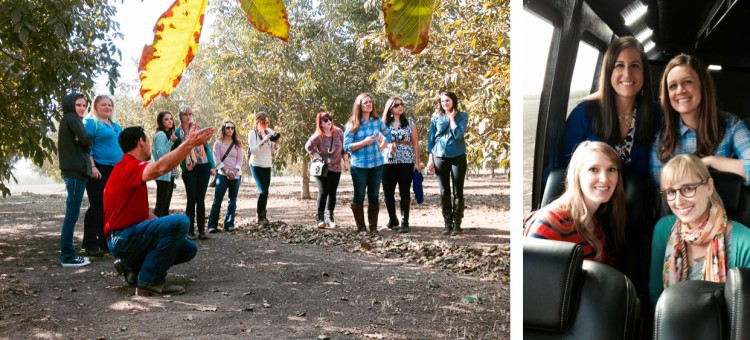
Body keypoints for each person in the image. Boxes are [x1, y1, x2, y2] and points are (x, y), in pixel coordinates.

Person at [104, 125, 214, 296]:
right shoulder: (129, 166)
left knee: (187, 248)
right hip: (122, 238)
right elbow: (159, 168)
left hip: (124, 237)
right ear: (141, 142)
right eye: (148, 140)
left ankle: (131, 267)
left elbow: (144, 214)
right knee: (182, 221)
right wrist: (188, 144)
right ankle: (149, 281)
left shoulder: (126, 168)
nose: (149, 145)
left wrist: (170, 234)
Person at [649, 154, 750, 306]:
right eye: (671, 192)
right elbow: (656, 297)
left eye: (688, 189)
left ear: (709, 187)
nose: (678, 201)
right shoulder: (663, 229)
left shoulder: (744, 240)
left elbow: (744, 312)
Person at [561, 36, 660, 178]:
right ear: (609, 72)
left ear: (644, 72)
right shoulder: (584, 113)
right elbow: (566, 168)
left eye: (635, 65)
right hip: (592, 198)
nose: (627, 74)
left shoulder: (655, 113)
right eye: (619, 65)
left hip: (640, 199)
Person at [651, 53, 750, 187]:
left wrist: (711, 161)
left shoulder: (731, 124)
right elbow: (661, 190)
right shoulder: (661, 139)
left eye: (687, 82)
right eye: (673, 86)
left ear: (703, 86)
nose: (680, 90)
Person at [525, 141, 626, 264]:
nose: (604, 179)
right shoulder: (549, 224)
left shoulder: (596, 220)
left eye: (611, 169)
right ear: (577, 175)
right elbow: (530, 277)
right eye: (593, 169)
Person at [344, 93, 392, 236]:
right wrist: (363, 142)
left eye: (370, 102)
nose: (369, 104)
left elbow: (389, 134)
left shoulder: (377, 122)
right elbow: (346, 146)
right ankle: (361, 227)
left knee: (374, 196)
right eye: (366, 102)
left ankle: (373, 228)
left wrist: (382, 146)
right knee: (359, 195)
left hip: (377, 164)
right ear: (359, 105)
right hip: (359, 166)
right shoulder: (352, 124)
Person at [83, 95, 123, 257]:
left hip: (115, 170)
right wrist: (92, 166)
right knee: (98, 205)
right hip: (99, 168)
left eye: (109, 105)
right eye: (103, 105)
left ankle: (104, 242)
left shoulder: (115, 126)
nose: (107, 107)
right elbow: (87, 146)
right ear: (95, 106)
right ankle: (90, 243)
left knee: (110, 207)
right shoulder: (92, 122)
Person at [57, 93, 93, 267]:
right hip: (74, 174)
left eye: (84, 105)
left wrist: (82, 140)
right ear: (71, 105)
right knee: (71, 215)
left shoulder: (73, 120)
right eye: (78, 105)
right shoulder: (70, 118)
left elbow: (83, 141)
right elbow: (86, 141)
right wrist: (83, 140)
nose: (82, 108)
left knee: (72, 214)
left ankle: (69, 255)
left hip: (77, 174)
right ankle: (67, 256)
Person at [427, 91, 468, 236]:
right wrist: (430, 158)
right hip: (439, 156)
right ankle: (447, 223)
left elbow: (458, 134)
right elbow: (431, 138)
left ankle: (457, 224)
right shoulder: (436, 117)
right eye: (443, 101)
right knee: (444, 191)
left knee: (458, 190)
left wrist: (451, 118)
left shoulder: (462, 115)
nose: (445, 103)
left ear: (453, 101)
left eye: (448, 101)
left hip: (457, 156)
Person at [379, 97, 420, 233]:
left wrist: (417, 162)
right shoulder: (383, 124)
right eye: (396, 105)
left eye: (401, 104)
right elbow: (379, 144)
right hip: (387, 161)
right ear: (390, 108)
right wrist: (388, 145)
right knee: (388, 193)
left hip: (406, 161)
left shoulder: (410, 123)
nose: (400, 107)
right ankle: (393, 219)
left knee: (405, 192)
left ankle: (405, 221)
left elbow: (415, 143)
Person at [176, 105, 216, 240]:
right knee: (191, 198)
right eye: (185, 114)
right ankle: (190, 231)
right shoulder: (177, 132)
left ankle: (202, 231)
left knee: (201, 199)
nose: (188, 117)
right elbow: (178, 152)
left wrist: (212, 165)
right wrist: (183, 166)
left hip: (203, 165)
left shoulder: (198, 129)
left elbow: (206, 147)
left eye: (190, 114)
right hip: (189, 168)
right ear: (180, 116)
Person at [305, 112, 344, 229]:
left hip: (336, 167)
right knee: (323, 191)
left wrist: (346, 160)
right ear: (320, 123)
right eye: (325, 120)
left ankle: (330, 218)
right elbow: (308, 147)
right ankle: (321, 218)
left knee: (332, 192)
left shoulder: (339, 132)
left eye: (330, 119)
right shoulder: (318, 136)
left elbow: (344, 147)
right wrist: (319, 157)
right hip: (322, 168)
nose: (328, 122)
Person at [207, 121, 244, 233]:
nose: (230, 130)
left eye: (232, 128)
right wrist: (227, 172)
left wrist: (235, 171)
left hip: (236, 175)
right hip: (223, 175)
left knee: (232, 200)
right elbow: (217, 160)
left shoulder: (238, 144)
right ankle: (212, 225)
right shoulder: (218, 143)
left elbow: (240, 160)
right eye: (228, 127)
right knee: (217, 200)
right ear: (223, 129)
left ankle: (229, 223)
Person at [247, 112, 280, 225]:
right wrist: (263, 141)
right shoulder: (252, 134)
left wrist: (276, 143)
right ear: (258, 122)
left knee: (266, 192)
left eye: (267, 122)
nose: (266, 124)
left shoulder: (269, 131)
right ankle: (259, 215)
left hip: (267, 164)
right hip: (256, 164)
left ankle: (263, 215)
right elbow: (253, 151)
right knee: (263, 190)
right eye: (264, 123)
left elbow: (273, 148)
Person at [152, 111, 180, 217]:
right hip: (162, 174)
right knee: (161, 206)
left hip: (168, 173)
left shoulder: (167, 134)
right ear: (161, 121)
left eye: (171, 119)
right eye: (166, 119)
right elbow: (161, 155)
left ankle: (163, 229)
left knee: (165, 206)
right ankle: (156, 229)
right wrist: (171, 142)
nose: (170, 121)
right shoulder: (161, 134)